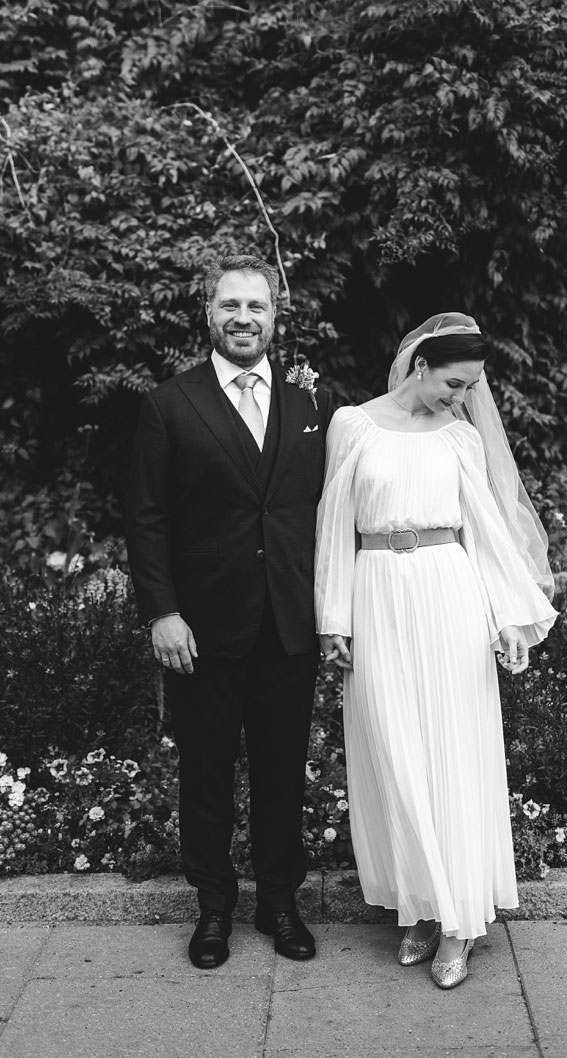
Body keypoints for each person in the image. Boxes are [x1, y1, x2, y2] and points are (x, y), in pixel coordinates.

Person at [314, 312, 557, 990]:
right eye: (455, 383)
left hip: (450, 596)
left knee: (453, 753)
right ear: (419, 365)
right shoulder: (352, 425)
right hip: (375, 594)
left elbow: (484, 531)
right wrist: (333, 617)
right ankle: (420, 907)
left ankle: (459, 925)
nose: (462, 398)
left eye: (472, 386)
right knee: (393, 753)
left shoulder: (460, 438)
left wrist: (506, 616)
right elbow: (332, 521)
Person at [125, 253, 335, 969]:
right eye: (230, 306)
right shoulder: (168, 404)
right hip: (202, 633)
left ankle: (280, 903)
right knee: (207, 775)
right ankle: (213, 907)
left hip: (287, 627)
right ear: (208, 313)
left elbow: (323, 516)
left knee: (282, 775)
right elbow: (146, 519)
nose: (243, 318)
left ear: (276, 316)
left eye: (257, 307)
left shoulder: (311, 405)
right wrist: (162, 613)